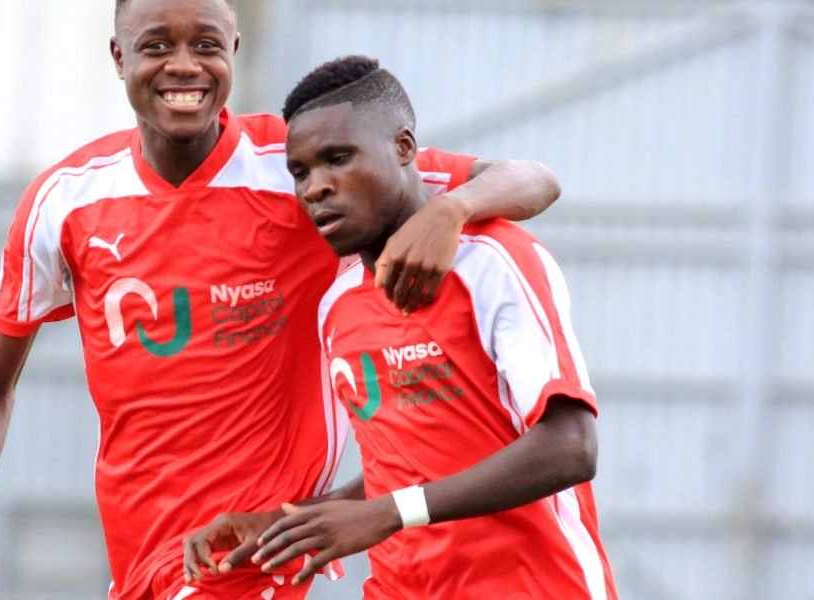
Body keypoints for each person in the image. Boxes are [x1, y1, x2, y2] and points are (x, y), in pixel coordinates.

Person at [0, 0, 563, 598]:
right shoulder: (64, 202)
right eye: (157, 46)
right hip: (150, 558)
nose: (184, 65)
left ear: (233, 49)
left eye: (206, 44)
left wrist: (452, 209)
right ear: (119, 57)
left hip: (250, 559)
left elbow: (532, 179)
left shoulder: (301, 165)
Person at [184, 56, 618, 599]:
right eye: (300, 172)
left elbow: (570, 448)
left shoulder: (492, 261)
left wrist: (389, 513)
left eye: (337, 159)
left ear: (405, 147)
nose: (315, 187)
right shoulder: (338, 304)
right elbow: (404, 469)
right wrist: (284, 522)